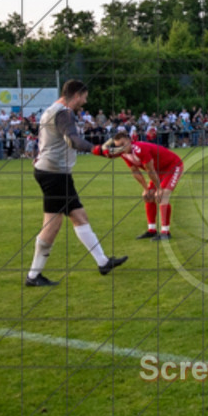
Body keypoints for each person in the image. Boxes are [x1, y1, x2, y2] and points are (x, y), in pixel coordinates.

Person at [26, 79, 128, 287]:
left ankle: (103, 262)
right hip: (54, 173)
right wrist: (96, 149)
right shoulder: (64, 113)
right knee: (53, 225)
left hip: (54, 172)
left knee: (79, 216)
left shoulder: (52, 110)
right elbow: (72, 139)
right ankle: (33, 276)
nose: (85, 101)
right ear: (77, 95)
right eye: (84, 97)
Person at [109, 132, 184, 241]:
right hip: (158, 170)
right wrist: (146, 189)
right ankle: (152, 230)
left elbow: (150, 170)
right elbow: (135, 171)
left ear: (129, 140)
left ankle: (165, 232)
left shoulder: (140, 149)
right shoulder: (123, 154)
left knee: (163, 196)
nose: (121, 147)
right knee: (148, 197)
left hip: (172, 166)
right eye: (118, 146)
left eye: (123, 144)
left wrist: (158, 189)